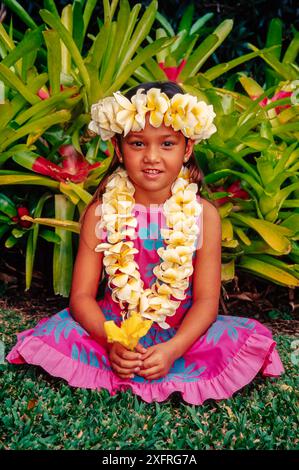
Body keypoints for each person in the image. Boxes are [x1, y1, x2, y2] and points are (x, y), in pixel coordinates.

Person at [6, 81, 284, 405]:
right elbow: (81, 296)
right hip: (110, 330)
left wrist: (174, 348)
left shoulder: (203, 216)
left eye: (167, 143)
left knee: (236, 339)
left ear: (188, 148)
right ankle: (116, 357)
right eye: (138, 143)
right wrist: (111, 341)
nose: (152, 157)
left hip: (182, 335)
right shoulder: (100, 213)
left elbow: (207, 302)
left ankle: (171, 359)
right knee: (62, 333)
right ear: (119, 149)